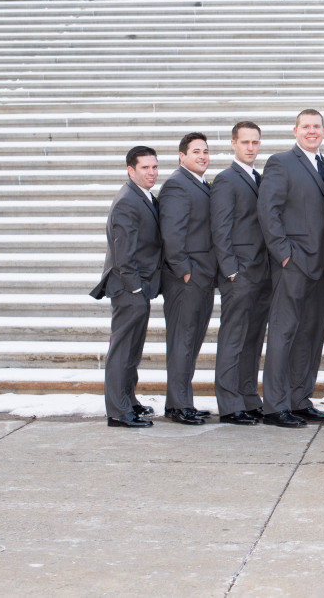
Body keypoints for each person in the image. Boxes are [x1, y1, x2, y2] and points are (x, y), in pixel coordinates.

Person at [257, 109, 324, 428]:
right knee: (284, 332)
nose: (312, 131)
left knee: (311, 334)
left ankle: (299, 399)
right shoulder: (280, 162)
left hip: (320, 264)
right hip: (293, 263)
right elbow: (268, 210)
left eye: (317, 127)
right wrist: (284, 253)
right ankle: (275, 405)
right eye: (306, 127)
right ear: (295, 130)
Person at [90, 146, 162, 428]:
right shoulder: (127, 202)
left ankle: (128, 400)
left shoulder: (141, 196)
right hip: (128, 288)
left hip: (137, 287)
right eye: (145, 168)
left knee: (132, 349)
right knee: (122, 350)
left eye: (154, 167)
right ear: (131, 170)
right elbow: (124, 253)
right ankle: (118, 411)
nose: (151, 172)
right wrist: (136, 289)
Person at [210, 121, 270, 426]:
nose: (250, 148)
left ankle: (248, 397)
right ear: (233, 144)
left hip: (261, 274)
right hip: (239, 274)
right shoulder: (226, 179)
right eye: (245, 142)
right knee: (233, 339)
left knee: (253, 339)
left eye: (255, 142)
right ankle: (230, 404)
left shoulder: (258, 178)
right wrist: (230, 270)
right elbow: (220, 229)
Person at [159, 132, 217, 426]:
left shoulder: (199, 184)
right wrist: (185, 271)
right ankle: (180, 405)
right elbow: (172, 233)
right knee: (182, 341)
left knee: (190, 342)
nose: (203, 156)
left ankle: (179, 401)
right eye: (196, 151)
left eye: (206, 151)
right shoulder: (176, 186)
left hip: (202, 276)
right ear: (182, 156)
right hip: (186, 279)